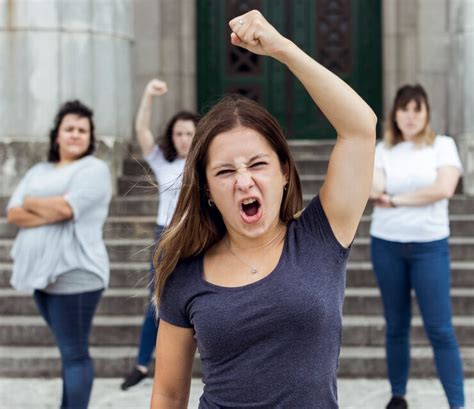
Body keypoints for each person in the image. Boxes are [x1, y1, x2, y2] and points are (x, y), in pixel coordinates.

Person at [149, 10, 377, 408]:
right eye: (224, 171)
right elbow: (168, 393)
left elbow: (360, 128)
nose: (243, 181)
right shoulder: (184, 270)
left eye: (257, 164)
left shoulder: (321, 237)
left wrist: (284, 50)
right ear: (206, 190)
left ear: (285, 172)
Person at [6, 100, 112, 409]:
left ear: (90, 137)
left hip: (76, 273)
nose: (76, 134)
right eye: (69, 129)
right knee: (69, 354)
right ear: (57, 135)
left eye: (82, 130)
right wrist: (47, 206)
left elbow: (68, 209)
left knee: (75, 354)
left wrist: (33, 202)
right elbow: (13, 213)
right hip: (41, 277)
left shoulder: (95, 169)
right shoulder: (39, 170)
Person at [370, 85, 465, 409]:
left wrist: (395, 200)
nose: (410, 116)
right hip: (387, 245)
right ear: (394, 114)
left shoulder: (443, 146)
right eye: (404, 109)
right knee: (396, 326)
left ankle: (457, 403)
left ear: (426, 114)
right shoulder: (383, 149)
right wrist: (386, 193)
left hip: (430, 246)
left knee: (440, 328)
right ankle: (398, 396)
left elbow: (444, 188)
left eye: (417, 109)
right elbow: (374, 187)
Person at [121, 79, 199, 390]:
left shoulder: (209, 163)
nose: (183, 139)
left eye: (190, 133)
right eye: (179, 133)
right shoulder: (162, 161)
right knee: (157, 301)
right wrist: (148, 96)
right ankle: (142, 364)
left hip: (197, 235)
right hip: (165, 236)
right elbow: (141, 129)